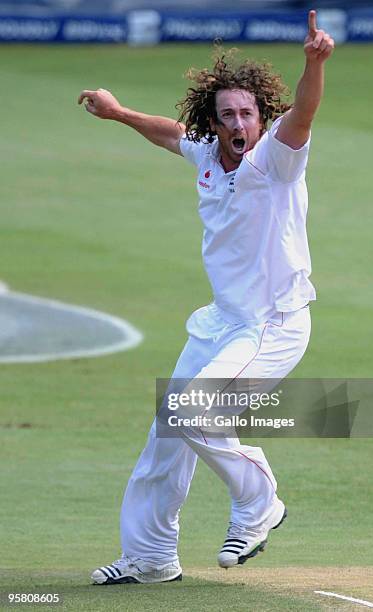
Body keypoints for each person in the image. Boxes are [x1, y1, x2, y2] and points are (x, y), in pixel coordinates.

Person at [78, 10, 334, 585]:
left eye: (248, 113)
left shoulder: (277, 158)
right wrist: (119, 114)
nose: (239, 123)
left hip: (273, 324)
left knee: (195, 411)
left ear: (262, 117)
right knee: (166, 436)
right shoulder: (207, 155)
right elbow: (171, 134)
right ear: (213, 124)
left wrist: (313, 66)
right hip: (222, 323)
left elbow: (306, 112)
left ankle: (260, 502)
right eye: (228, 116)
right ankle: (149, 557)